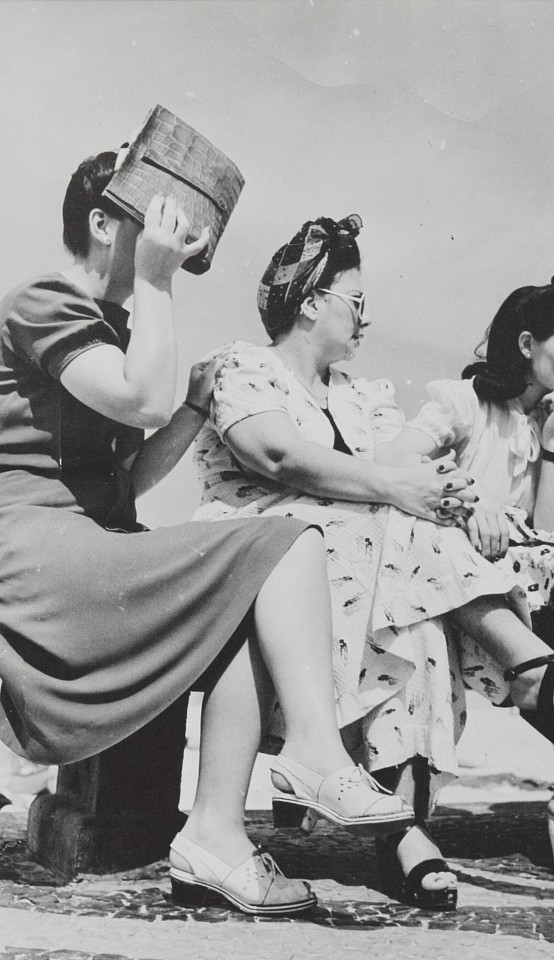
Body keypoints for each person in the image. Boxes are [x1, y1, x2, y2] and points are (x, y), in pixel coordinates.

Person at [0, 152, 417, 918]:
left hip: (89, 538)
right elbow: (140, 400)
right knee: (281, 540)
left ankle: (215, 836)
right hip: (29, 552)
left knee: (245, 591)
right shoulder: (43, 302)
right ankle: (315, 756)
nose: (172, 238)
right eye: (150, 220)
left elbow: (128, 471)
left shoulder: (111, 327)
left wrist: (193, 406)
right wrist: (158, 285)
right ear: (101, 224)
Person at [193, 219, 554, 906]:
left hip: (356, 559)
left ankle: (406, 825)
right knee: (401, 535)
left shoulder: (361, 397)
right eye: (357, 303)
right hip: (266, 550)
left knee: (416, 611)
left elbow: (405, 484)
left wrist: (457, 499)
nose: (366, 320)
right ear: (312, 301)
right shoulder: (243, 367)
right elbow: (278, 458)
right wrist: (405, 490)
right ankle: (528, 674)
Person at [381, 272, 554, 882]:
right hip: (457, 581)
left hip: (524, 578)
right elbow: (394, 463)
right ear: (529, 344)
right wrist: (465, 498)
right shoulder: (462, 404)